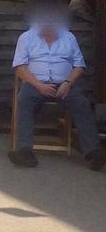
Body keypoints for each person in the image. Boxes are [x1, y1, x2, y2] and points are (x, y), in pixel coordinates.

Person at [9, 10, 104, 170]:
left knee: (82, 103)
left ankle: (94, 153)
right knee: (24, 100)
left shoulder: (69, 37)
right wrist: (39, 85)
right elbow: (20, 68)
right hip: (35, 83)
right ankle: (24, 151)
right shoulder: (26, 37)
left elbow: (79, 66)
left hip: (64, 84)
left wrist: (68, 82)